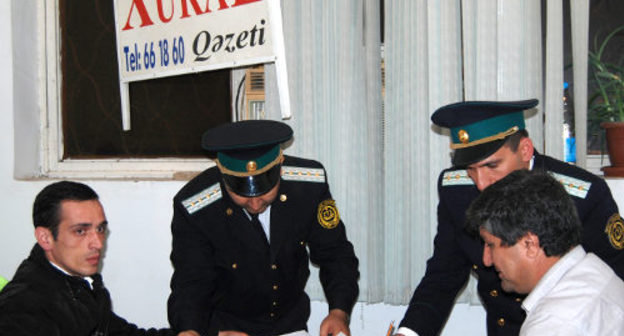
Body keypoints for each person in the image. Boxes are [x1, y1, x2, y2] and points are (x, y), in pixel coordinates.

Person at [396, 99, 624, 336]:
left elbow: (613, 279)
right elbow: (444, 272)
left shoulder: (582, 195)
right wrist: (409, 332)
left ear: (525, 150)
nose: (482, 183)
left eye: (492, 165)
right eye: (470, 169)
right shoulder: (456, 190)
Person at [167, 120, 359, 336]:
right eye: (243, 194)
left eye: (265, 191)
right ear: (223, 175)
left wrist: (339, 312)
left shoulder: (309, 185)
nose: (256, 203)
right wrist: (190, 330)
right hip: (226, 328)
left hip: (289, 323)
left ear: (280, 166)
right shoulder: (196, 206)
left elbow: (335, 253)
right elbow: (191, 280)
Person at [0, 181, 192, 336]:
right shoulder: (24, 308)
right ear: (45, 238)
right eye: (80, 231)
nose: (98, 243)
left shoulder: (78, 284)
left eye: (100, 229)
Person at [465, 169, 624, 336]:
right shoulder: (597, 272)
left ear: (530, 245)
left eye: (491, 245)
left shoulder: (552, 325)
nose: (486, 260)